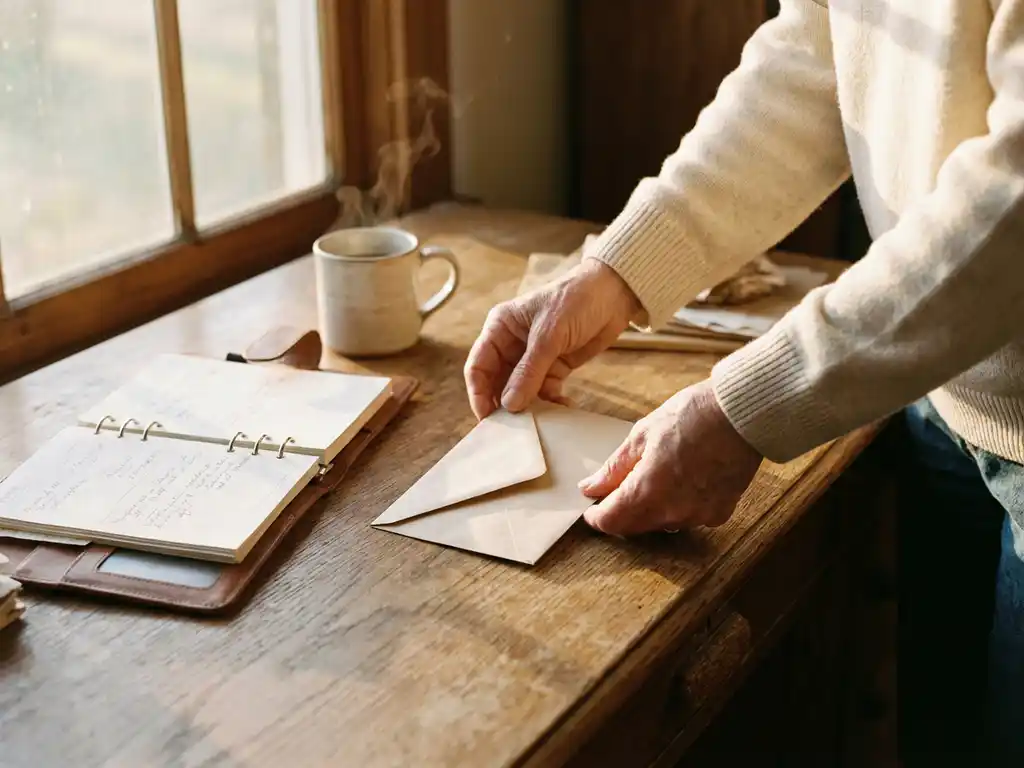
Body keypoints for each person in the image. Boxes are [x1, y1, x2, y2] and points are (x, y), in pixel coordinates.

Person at [463, 0, 1024, 763]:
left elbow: (1013, 200)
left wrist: (744, 409)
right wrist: (619, 271)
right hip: (943, 387)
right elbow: (814, 65)